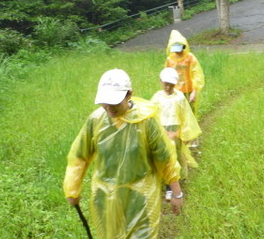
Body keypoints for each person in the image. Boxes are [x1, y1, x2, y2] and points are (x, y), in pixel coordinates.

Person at [63, 68, 184, 239]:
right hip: (106, 197)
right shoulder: (96, 120)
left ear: (129, 95)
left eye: (115, 102)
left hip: (141, 197)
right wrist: (72, 188)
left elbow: (165, 158)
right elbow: (79, 156)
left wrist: (177, 193)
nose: (109, 107)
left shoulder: (146, 121)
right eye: (105, 102)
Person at [151, 67, 202, 201]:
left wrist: (181, 133)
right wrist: (160, 132)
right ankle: (168, 185)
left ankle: (175, 182)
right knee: (166, 157)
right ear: (161, 81)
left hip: (176, 130)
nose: (168, 87)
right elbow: (152, 116)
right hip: (162, 131)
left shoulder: (179, 97)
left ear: (175, 84)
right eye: (165, 83)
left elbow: (186, 116)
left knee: (177, 155)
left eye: (171, 84)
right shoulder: (157, 98)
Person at [164, 29, 205, 117]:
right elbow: (166, 77)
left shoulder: (190, 58)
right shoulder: (169, 60)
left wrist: (194, 92)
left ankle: (192, 130)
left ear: (183, 46)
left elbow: (196, 74)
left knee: (190, 114)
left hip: (188, 92)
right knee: (177, 115)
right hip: (175, 92)